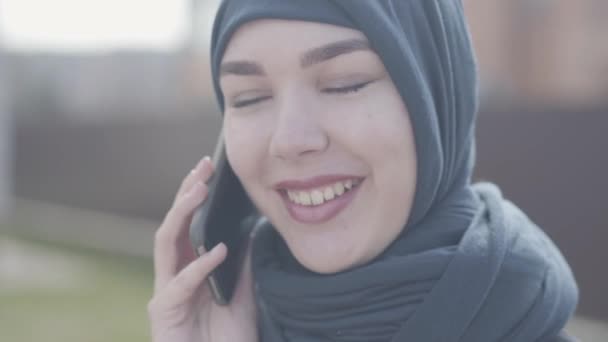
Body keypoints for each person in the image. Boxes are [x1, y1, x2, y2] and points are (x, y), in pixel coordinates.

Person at [148, 0, 579, 341]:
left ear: (436, 95)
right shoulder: (237, 327)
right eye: (248, 98)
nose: (290, 140)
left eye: (345, 83)